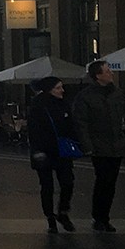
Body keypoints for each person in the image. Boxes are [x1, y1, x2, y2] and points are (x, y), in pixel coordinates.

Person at [71, 59, 125, 232]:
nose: (111, 73)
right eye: (107, 71)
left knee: (110, 182)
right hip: (99, 145)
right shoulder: (86, 96)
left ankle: (104, 216)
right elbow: (81, 122)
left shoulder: (117, 93)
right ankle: (99, 217)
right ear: (98, 75)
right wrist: (87, 145)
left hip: (116, 144)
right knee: (103, 180)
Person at [26, 76, 76, 233]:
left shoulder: (64, 104)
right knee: (47, 186)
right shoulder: (37, 107)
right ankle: (50, 217)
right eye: (58, 88)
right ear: (49, 90)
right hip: (44, 151)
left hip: (62, 150)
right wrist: (37, 150)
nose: (62, 90)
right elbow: (33, 131)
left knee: (68, 182)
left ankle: (63, 211)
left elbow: (71, 126)